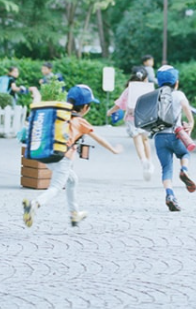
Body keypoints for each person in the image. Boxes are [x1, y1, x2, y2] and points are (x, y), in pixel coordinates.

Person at [22, 84, 123, 230]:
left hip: (48, 155)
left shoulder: (59, 115)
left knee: (72, 180)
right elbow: (99, 138)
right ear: (85, 107)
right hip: (63, 159)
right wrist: (114, 150)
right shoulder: (80, 121)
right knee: (56, 187)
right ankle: (34, 204)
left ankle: (74, 214)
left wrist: (35, 92)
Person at [151, 65, 196, 212]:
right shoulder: (178, 94)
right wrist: (191, 122)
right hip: (175, 135)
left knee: (166, 168)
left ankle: (170, 195)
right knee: (184, 153)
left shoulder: (155, 95)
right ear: (176, 82)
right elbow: (186, 107)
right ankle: (184, 169)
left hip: (159, 137)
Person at [106, 66, 154, 180]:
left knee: (137, 141)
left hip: (132, 119)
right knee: (145, 140)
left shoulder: (129, 89)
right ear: (145, 78)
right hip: (146, 118)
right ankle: (150, 162)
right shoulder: (149, 89)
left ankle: (143, 161)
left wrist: (110, 111)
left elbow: (119, 104)